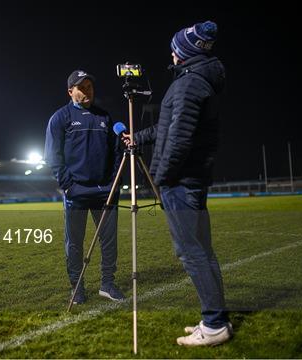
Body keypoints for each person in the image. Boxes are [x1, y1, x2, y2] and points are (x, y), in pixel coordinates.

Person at [123, 21, 232, 346]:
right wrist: (139, 138)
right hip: (191, 179)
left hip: (182, 181)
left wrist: (162, 177)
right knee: (203, 251)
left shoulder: (189, 84)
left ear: (184, 52)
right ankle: (215, 318)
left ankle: (214, 326)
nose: (171, 53)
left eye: (175, 48)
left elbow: (179, 139)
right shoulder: (196, 81)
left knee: (191, 252)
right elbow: (168, 127)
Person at [45, 70, 124, 305]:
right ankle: (77, 287)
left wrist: (114, 182)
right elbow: (53, 156)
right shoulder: (60, 118)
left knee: (109, 241)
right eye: (82, 87)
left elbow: (117, 151)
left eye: (90, 87)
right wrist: (68, 186)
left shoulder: (105, 117)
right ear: (71, 92)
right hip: (76, 192)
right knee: (75, 243)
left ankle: (107, 284)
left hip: (105, 192)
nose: (88, 91)